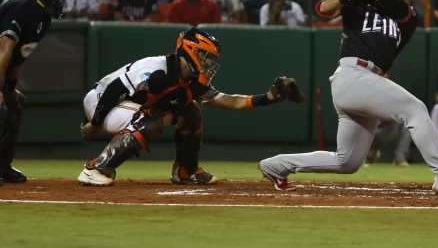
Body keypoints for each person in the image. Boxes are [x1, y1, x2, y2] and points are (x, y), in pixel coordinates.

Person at [259, 0, 438, 195]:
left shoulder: (409, 16)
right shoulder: (358, 1)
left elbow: (393, 4)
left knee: (347, 162)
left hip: (367, 82)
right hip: (353, 75)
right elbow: (323, 8)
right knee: (415, 109)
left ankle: (276, 165)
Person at [77, 28, 303, 185]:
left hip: (132, 110)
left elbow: (227, 101)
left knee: (191, 112)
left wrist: (268, 97)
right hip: (101, 101)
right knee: (150, 120)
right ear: (191, 51)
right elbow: (114, 89)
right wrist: (94, 124)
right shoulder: (156, 66)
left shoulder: (193, 82)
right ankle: (96, 168)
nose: (208, 63)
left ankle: (185, 172)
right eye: (205, 56)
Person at [0, 0, 65, 185]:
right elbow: (4, 49)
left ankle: (3, 166)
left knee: (13, 106)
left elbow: (20, 56)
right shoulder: (22, 7)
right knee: (0, 109)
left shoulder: (42, 16)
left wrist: (9, 88)